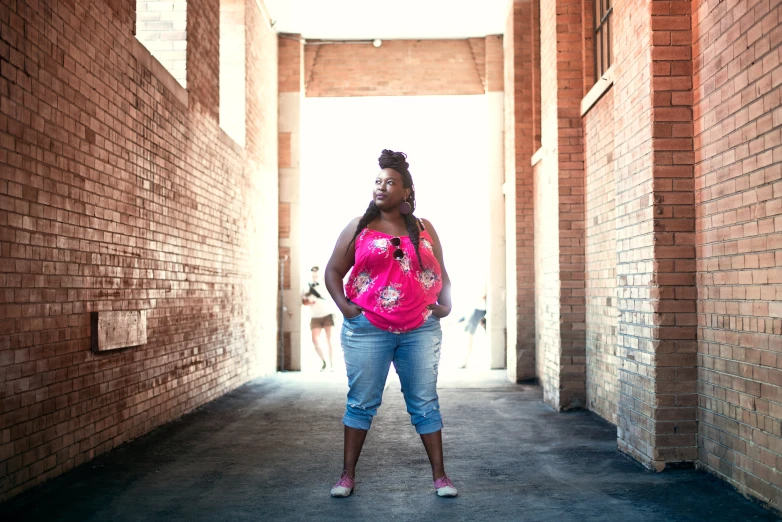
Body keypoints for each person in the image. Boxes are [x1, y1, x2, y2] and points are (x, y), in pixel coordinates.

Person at [324, 149, 457, 498]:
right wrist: (347, 309)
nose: (381, 187)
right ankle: (346, 476)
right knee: (362, 402)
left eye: (390, 182)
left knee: (425, 401)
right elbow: (333, 271)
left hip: (421, 329)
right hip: (368, 328)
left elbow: (440, 271)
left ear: (406, 192)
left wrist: (445, 304)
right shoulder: (359, 227)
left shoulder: (425, 228)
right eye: (378, 181)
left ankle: (441, 477)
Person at [302, 266, 335, 371]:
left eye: (316, 275)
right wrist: (310, 302)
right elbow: (304, 301)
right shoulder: (306, 288)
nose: (314, 277)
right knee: (315, 339)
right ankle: (324, 361)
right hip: (315, 316)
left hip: (327, 314)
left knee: (329, 339)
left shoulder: (324, 285)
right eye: (313, 275)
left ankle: (331, 363)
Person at [460, 289, 486, 369]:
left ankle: (465, 362)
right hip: (470, 326)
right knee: (467, 344)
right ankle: (465, 362)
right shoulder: (475, 306)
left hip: (471, 328)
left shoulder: (480, 306)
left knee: (468, 344)